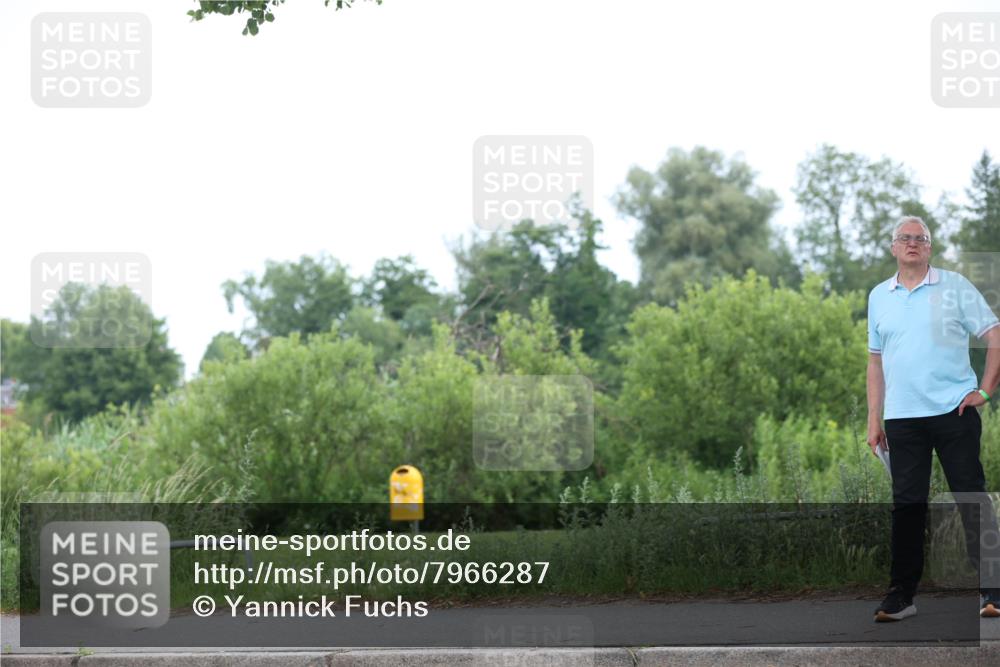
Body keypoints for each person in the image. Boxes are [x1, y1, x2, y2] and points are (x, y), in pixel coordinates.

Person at [866, 215, 1000, 622]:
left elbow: (994, 335)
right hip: (902, 419)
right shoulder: (878, 296)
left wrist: (987, 390)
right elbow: (875, 361)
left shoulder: (954, 286)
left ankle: (993, 591)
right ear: (893, 247)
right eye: (904, 238)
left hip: (953, 411)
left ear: (929, 248)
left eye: (920, 239)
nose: (912, 244)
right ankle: (901, 597)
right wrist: (875, 419)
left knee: (971, 497)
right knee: (907, 506)